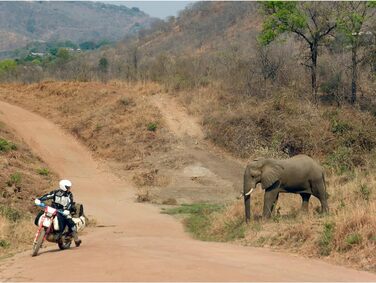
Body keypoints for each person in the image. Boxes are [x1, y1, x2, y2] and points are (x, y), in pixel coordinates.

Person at [34, 179, 82, 247]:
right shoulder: (55, 192)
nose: (69, 188)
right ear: (63, 186)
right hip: (53, 209)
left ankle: (76, 239)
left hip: (63, 211)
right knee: (42, 214)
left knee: (70, 221)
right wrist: (39, 199)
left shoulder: (69, 194)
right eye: (67, 187)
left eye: (69, 187)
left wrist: (67, 210)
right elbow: (47, 196)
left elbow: (70, 203)